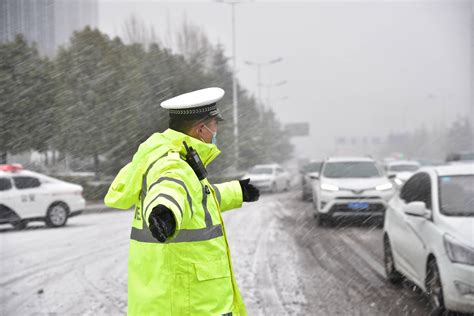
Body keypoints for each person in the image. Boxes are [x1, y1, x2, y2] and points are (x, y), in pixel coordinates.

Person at [104, 87, 260, 315]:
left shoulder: (172, 156)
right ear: (200, 129)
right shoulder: (174, 163)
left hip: (173, 297)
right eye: (215, 124)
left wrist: (236, 191)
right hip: (191, 303)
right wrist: (164, 213)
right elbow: (170, 189)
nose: (216, 131)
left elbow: (196, 198)